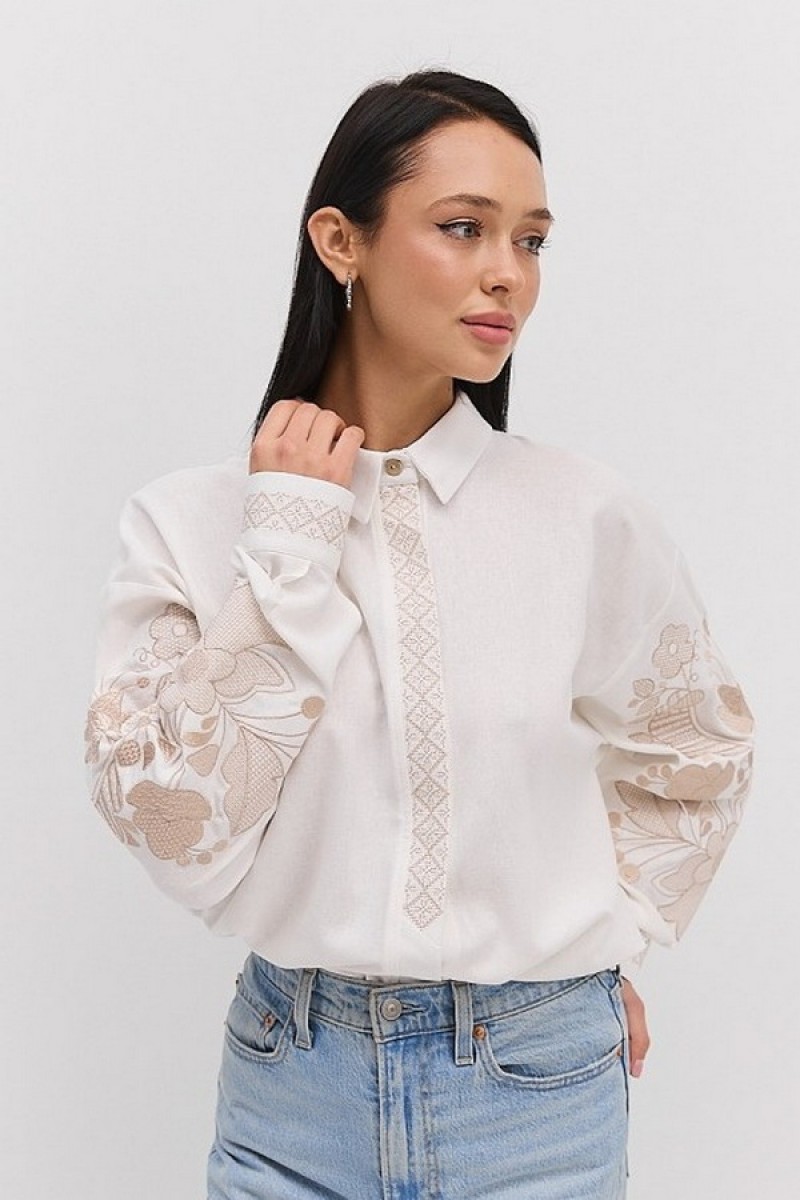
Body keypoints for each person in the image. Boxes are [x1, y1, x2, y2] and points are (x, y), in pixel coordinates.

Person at [83, 69, 756, 1199]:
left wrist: (595, 949)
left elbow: (699, 751)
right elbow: (173, 826)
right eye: (462, 227)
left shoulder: (584, 517)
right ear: (339, 241)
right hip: (290, 1094)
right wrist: (289, 544)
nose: (508, 273)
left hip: (539, 1098)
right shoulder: (192, 523)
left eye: (531, 240)